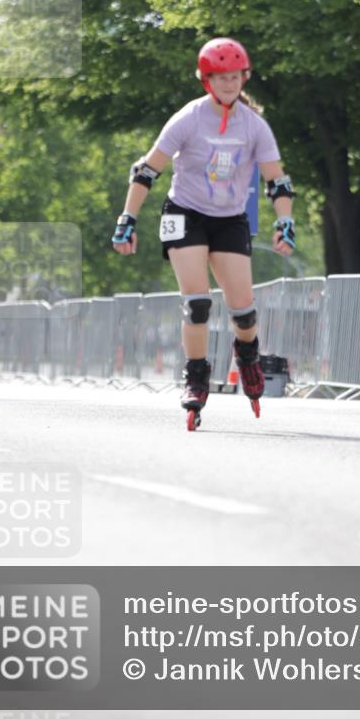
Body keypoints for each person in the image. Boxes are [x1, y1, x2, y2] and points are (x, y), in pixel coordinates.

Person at [111, 37, 296, 430]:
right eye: (220, 77)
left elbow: (276, 181)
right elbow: (147, 170)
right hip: (186, 213)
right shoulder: (189, 118)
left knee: (243, 312)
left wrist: (285, 222)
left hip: (229, 219)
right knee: (197, 304)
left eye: (235, 77)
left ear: (244, 77)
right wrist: (127, 218)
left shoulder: (255, 126)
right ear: (205, 79)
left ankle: (247, 354)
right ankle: (196, 377)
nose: (229, 84)